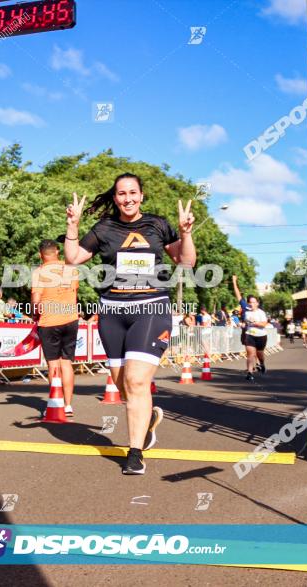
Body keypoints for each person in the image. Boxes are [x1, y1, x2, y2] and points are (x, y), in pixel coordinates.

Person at [64, 173, 195, 475]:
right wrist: (72, 225)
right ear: (115, 198)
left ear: (142, 195)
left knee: (137, 381)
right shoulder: (104, 228)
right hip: (112, 313)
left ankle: (134, 452)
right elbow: (73, 259)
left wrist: (186, 234)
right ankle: (146, 420)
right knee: (124, 386)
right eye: (121, 194)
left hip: (151, 308)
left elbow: (186, 262)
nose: (127, 198)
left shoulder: (158, 225)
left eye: (133, 192)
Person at [32, 239, 80, 416]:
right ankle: (68, 406)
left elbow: (36, 301)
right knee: (66, 363)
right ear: (58, 251)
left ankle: (55, 404)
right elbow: (74, 293)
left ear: (40, 254)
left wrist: (35, 315)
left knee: (53, 364)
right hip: (70, 319)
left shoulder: (39, 272)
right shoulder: (70, 269)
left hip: (49, 321)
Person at [232, 276, 269, 380]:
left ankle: (261, 363)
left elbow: (264, 324)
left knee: (260, 354)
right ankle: (249, 373)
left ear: (257, 303)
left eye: (254, 302)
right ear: (248, 303)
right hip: (250, 335)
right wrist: (234, 281)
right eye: (250, 302)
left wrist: (255, 323)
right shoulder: (246, 308)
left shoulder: (261, 312)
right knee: (250, 354)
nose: (252, 304)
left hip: (261, 335)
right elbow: (238, 295)